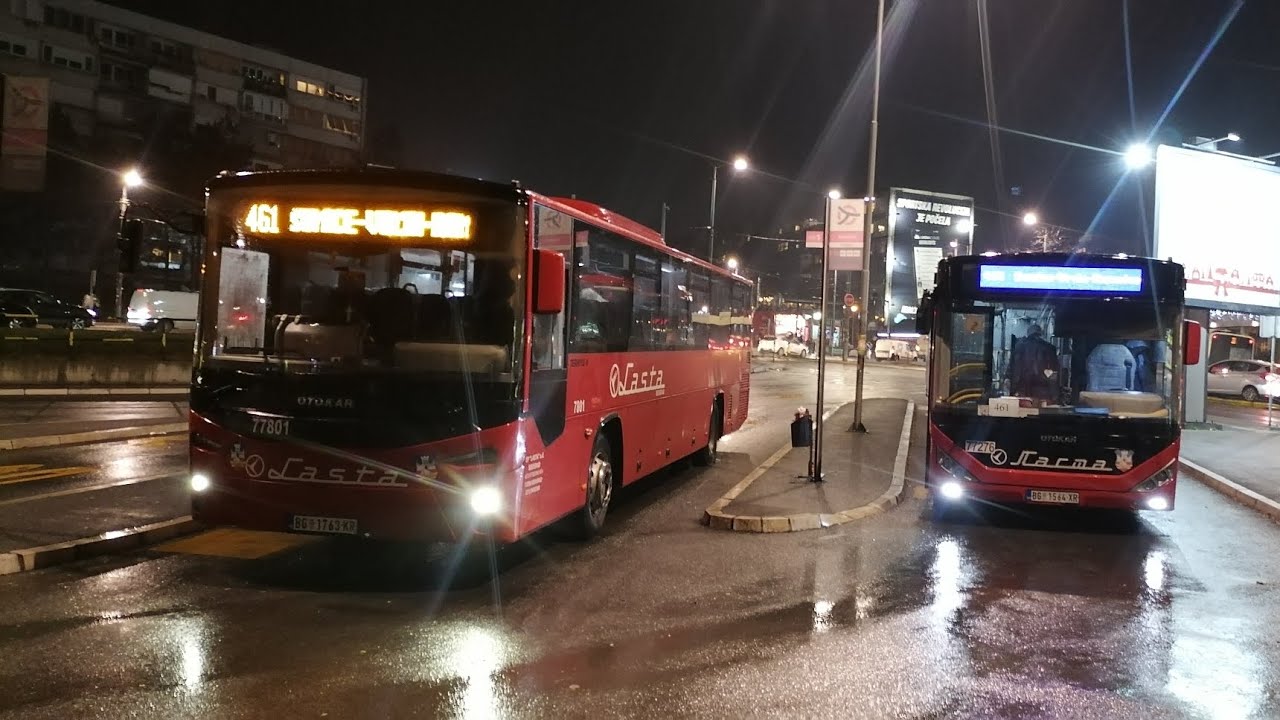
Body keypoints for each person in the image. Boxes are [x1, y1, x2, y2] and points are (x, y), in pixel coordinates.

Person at [1008, 323, 1060, 402]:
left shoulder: (1019, 347)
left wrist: (1013, 388)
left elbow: (1014, 369)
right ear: (1040, 333)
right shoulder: (1049, 348)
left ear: (1028, 333)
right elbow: (1053, 373)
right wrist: (1054, 394)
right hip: (1042, 390)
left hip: (1022, 390)